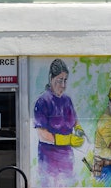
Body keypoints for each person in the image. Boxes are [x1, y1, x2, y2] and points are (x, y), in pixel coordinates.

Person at [34, 58, 85, 187]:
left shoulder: (67, 100)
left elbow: (75, 121)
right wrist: (67, 140)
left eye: (65, 80)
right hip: (49, 162)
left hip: (67, 159)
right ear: (51, 78)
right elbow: (42, 134)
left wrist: (79, 130)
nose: (63, 85)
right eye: (59, 80)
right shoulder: (42, 101)